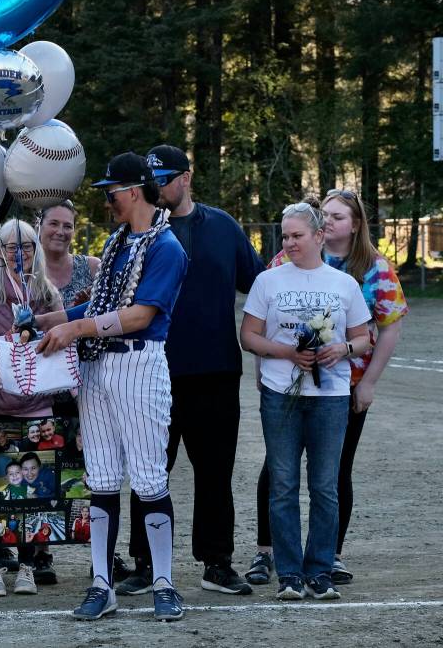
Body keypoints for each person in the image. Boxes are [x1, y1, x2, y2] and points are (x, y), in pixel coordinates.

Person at [37, 152, 188, 622]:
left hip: (139, 365)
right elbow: (95, 308)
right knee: (99, 479)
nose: (108, 200)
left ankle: (163, 581)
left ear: (134, 191)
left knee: (147, 478)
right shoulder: (120, 242)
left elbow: (141, 315)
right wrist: (42, 321)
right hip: (99, 368)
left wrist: (74, 331)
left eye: (112, 192)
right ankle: (102, 582)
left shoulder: (166, 247)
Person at [118, 145, 265, 597]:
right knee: (149, 470)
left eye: (164, 177)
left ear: (186, 177)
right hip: (150, 369)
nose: (157, 186)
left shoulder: (223, 227)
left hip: (215, 372)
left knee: (215, 472)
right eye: (152, 179)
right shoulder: (135, 233)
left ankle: (216, 562)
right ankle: (145, 562)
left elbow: (260, 284)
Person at [245, 190, 407, 588]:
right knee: (281, 477)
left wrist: (361, 375)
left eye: (337, 216)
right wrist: (271, 365)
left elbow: (381, 330)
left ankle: (325, 562)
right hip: (283, 390)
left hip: (339, 390)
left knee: (330, 479)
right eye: (286, 236)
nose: (290, 242)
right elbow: (255, 331)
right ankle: (279, 562)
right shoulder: (277, 269)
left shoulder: (368, 271)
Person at [0, 218, 63, 593]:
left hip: (37, 407)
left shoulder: (48, 293)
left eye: (26, 247)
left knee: (34, 492)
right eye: (10, 247)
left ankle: (27, 566)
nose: (19, 254)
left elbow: (60, 345)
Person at [37, 200, 100, 308]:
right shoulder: (26, 271)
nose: (60, 232)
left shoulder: (92, 268)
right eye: (54, 224)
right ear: (38, 225)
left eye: (67, 226)